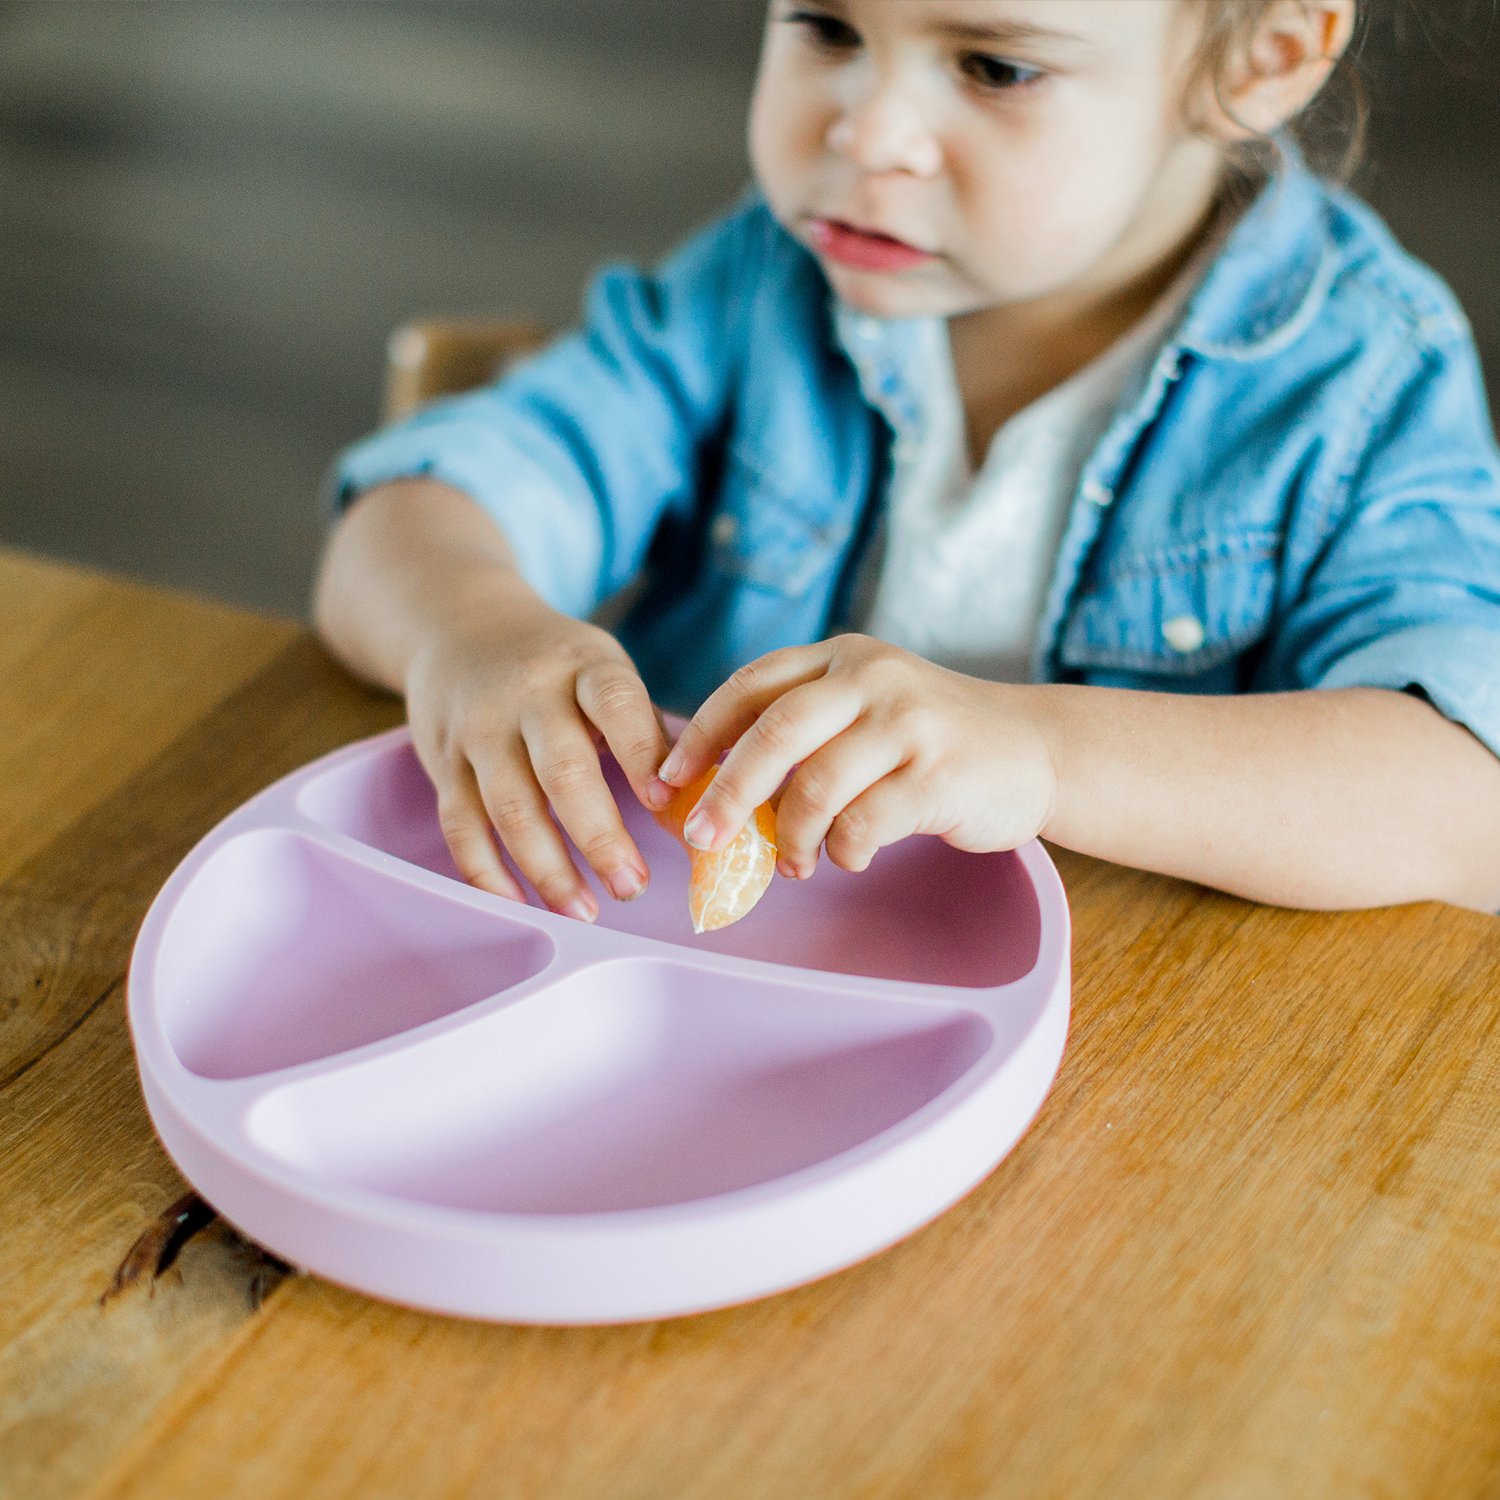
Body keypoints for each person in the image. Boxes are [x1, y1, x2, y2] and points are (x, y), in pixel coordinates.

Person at [314, 0, 1500, 923]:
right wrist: (471, 629)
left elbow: (1463, 797)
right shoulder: (756, 284)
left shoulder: (1364, 373)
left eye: (995, 66)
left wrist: (1035, 754)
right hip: (707, 982)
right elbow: (407, 519)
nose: (866, 133)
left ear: (1266, 55)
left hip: (1121, 1060)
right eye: (828, 27)